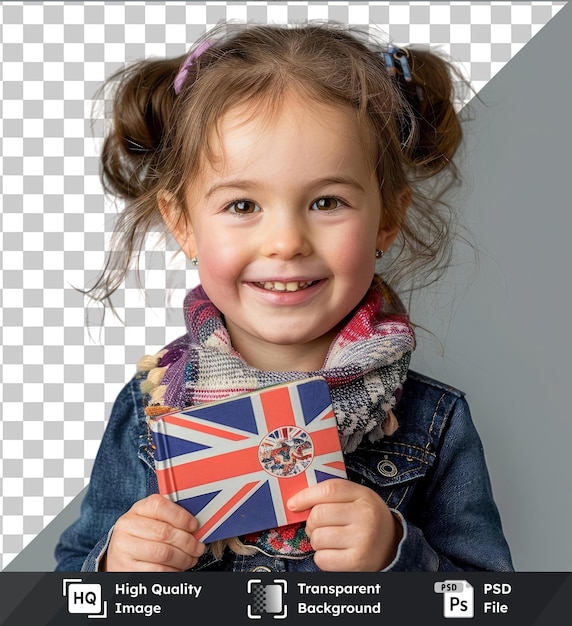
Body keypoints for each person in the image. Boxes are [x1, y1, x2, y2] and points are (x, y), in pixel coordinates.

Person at [55, 22, 513, 573]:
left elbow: (491, 600)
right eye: (243, 206)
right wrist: (114, 571)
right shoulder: (147, 410)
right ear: (182, 223)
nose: (286, 243)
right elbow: (72, 585)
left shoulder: (433, 421)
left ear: (388, 218)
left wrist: (397, 552)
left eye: (326, 202)